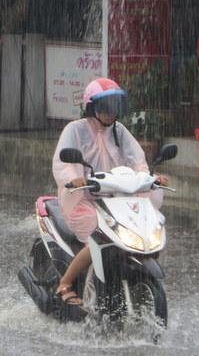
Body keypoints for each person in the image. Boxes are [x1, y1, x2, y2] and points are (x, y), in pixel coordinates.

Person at [51, 77, 169, 307]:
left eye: (115, 107)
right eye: (105, 107)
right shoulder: (75, 130)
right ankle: (64, 284)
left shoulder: (120, 131)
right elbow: (61, 162)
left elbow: (139, 162)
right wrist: (72, 179)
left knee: (145, 228)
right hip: (83, 199)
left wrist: (150, 178)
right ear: (92, 107)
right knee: (98, 238)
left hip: (117, 198)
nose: (110, 113)